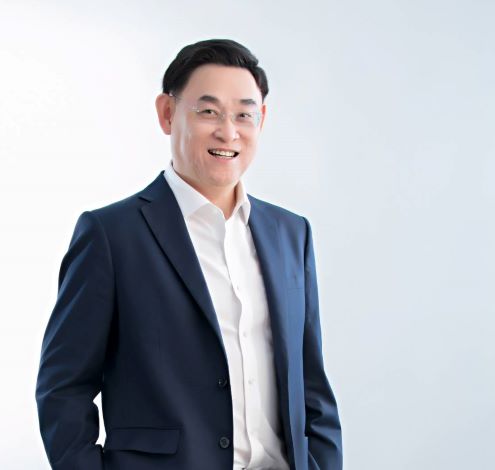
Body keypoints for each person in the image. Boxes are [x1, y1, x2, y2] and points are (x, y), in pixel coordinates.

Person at [35, 38, 343, 470]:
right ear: (167, 113)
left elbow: (312, 385)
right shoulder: (111, 235)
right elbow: (62, 387)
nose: (228, 132)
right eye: (208, 111)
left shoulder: (291, 233)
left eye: (244, 114)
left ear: (262, 119)